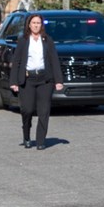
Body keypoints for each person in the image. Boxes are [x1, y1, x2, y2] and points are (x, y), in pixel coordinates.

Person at [9, 13, 64, 150]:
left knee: (44, 111)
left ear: (42, 25)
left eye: (38, 23)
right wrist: (14, 82)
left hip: (45, 79)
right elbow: (16, 62)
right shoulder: (23, 40)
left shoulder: (47, 40)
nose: (36, 25)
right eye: (33, 23)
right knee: (27, 110)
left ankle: (40, 140)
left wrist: (58, 80)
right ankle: (26, 135)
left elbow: (54, 60)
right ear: (29, 24)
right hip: (27, 79)